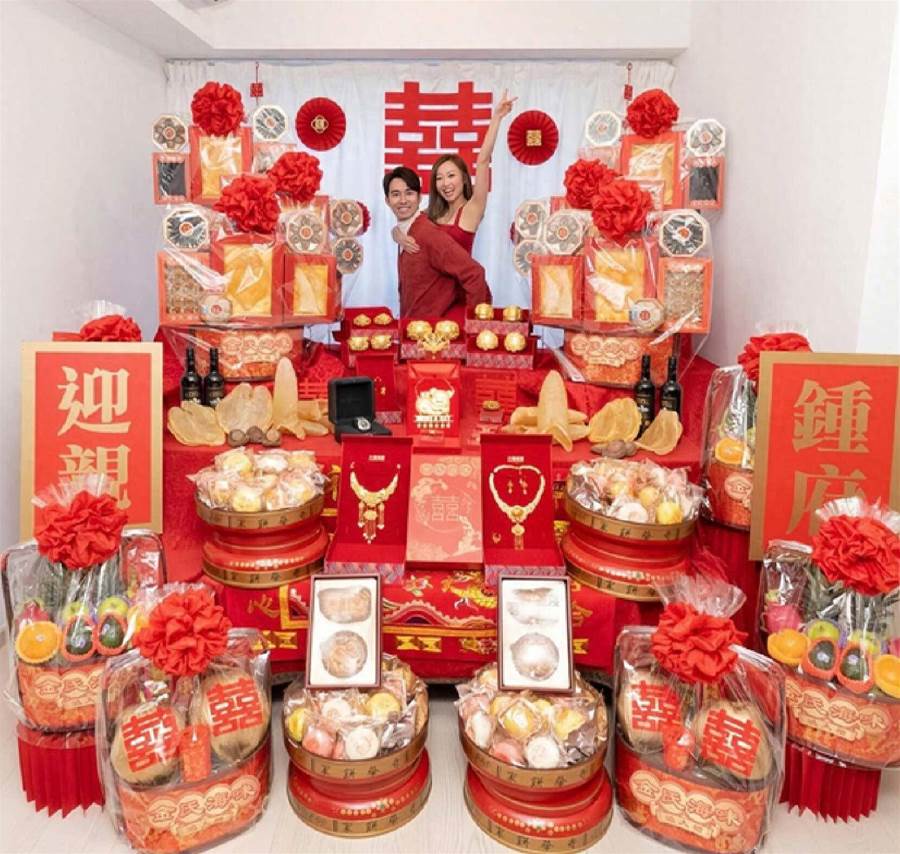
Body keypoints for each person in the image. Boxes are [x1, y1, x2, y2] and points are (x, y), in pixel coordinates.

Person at [393, 89, 517, 255]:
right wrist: (397, 235)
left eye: (451, 176)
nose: (445, 183)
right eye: (439, 178)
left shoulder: (473, 208)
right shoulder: (431, 214)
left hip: (462, 273)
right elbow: (403, 225)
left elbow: (483, 161)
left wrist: (497, 117)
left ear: (464, 179)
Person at [383, 166, 491, 317]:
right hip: (413, 326)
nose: (403, 200)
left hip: (434, 329)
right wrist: (395, 233)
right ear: (387, 200)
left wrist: (476, 321)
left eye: (409, 193)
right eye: (396, 194)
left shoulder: (427, 234)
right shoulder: (407, 231)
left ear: (419, 197)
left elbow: (474, 273)